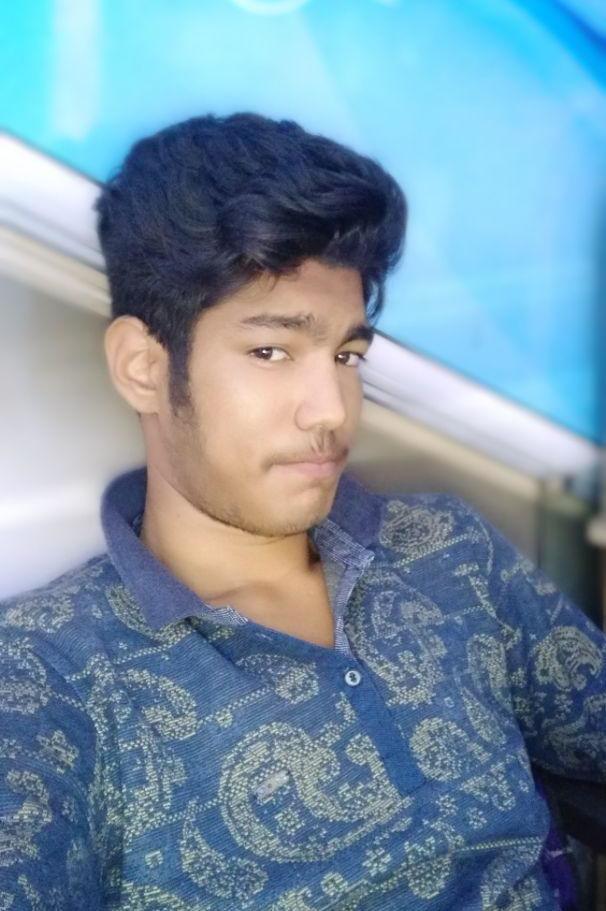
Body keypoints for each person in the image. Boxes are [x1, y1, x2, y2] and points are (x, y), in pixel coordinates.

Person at [0, 111, 604, 911]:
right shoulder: (43, 673)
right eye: (271, 350)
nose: (332, 410)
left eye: (347, 354)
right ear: (144, 367)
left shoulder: (447, 548)